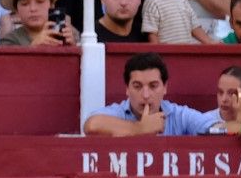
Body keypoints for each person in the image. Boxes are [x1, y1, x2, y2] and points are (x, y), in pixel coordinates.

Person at [83, 51, 223, 136]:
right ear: (127, 88)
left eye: (153, 86)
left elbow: (213, 128)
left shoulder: (179, 115)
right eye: (137, 86)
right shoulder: (118, 112)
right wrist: (140, 128)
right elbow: (91, 125)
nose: (145, 95)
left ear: (165, 87)